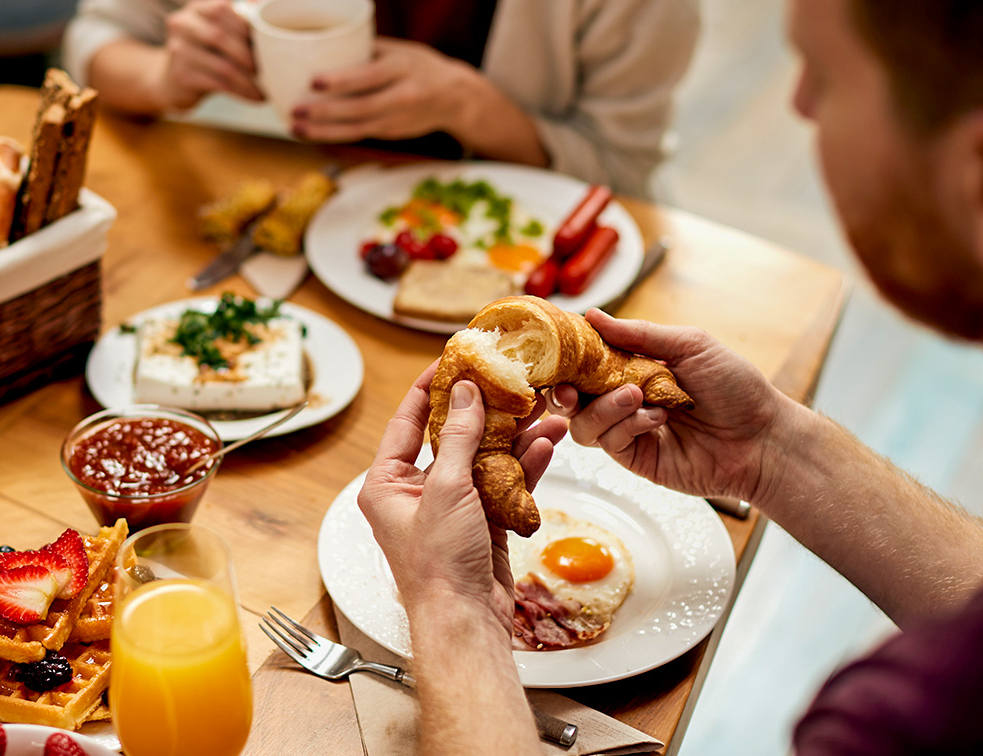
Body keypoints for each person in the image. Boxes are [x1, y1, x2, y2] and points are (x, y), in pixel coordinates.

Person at [357, 1, 983, 754]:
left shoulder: (909, 720)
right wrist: (769, 449)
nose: (798, 103)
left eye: (823, 73)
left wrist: (452, 608)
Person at [61, 0, 700, 195]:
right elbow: (95, 37)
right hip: (306, 242)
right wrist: (164, 77)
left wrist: (469, 104)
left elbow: (624, 176)